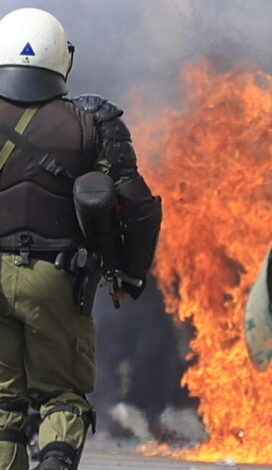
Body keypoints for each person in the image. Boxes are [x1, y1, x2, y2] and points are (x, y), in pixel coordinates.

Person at [0, 8, 162, 470]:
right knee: (61, 396)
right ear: (60, 58)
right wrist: (128, 273)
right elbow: (138, 206)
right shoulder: (96, 123)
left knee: (3, 406)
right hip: (55, 280)